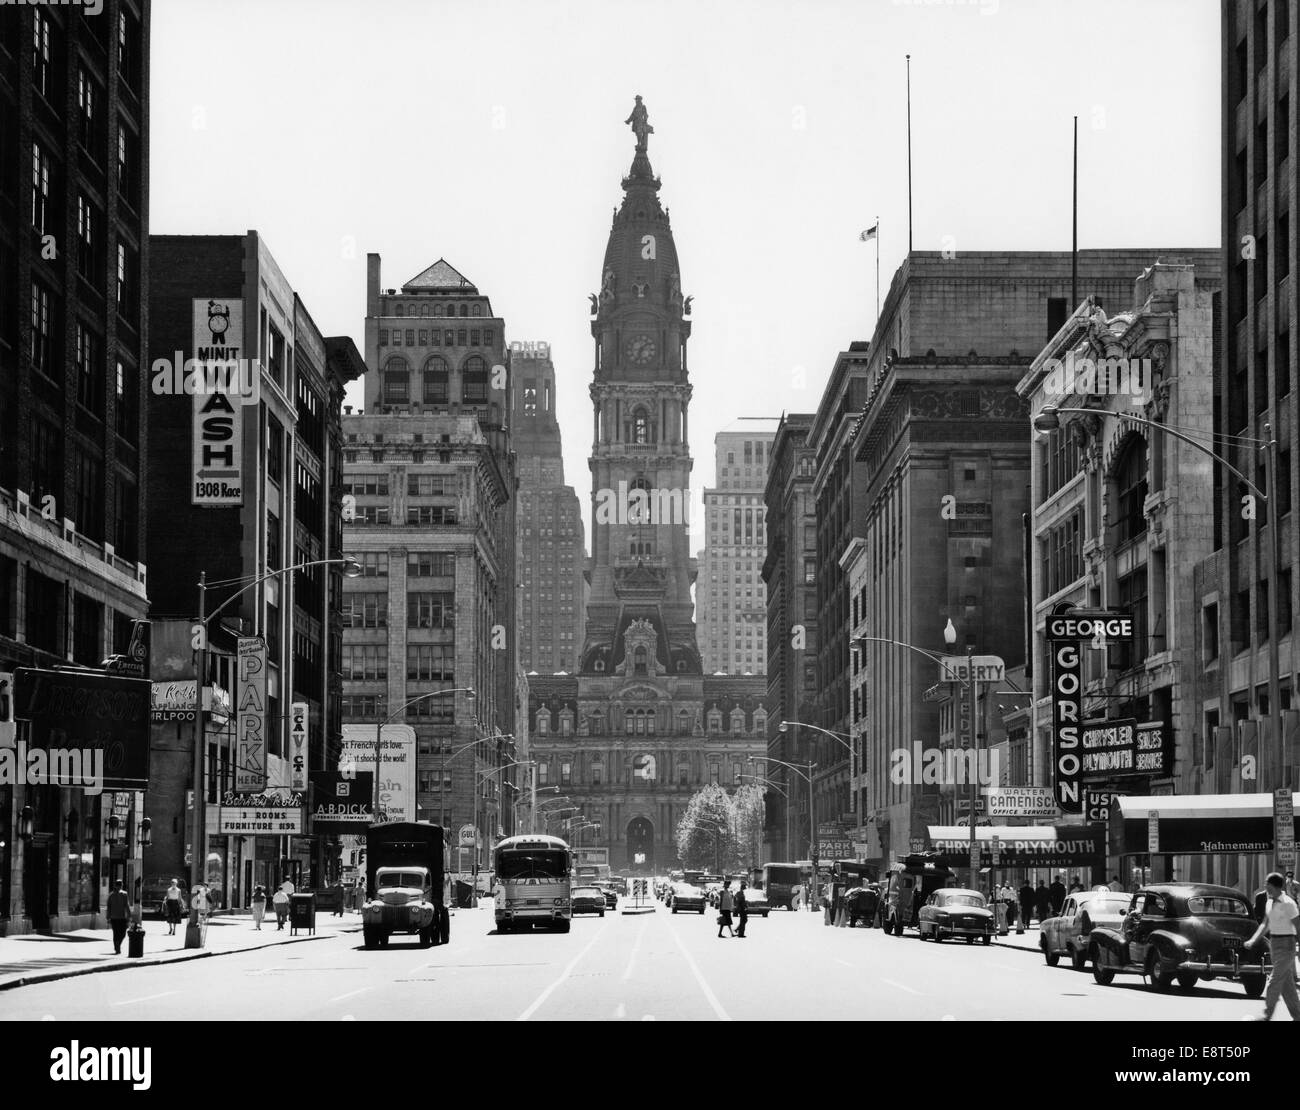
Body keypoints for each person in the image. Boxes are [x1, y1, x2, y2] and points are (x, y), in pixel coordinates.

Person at [1247, 871, 1300, 1022]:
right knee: (1286, 985)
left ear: (1275, 886)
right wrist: (1253, 939)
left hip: (1287, 944)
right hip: (1274, 944)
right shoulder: (1269, 902)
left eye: (1267, 884)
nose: (1265, 887)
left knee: (1274, 981)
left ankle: (1266, 1016)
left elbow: (1298, 927)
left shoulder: (1289, 903)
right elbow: (1266, 923)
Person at [106, 880, 130, 954]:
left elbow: (108, 907)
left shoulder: (113, 895)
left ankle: (117, 945)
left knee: (116, 933)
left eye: (120, 885)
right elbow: (127, 906)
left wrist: (108, 917)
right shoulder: (114, 895)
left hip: (116, 917)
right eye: (119, 885)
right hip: (120, 917)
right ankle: (117, 946)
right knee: (121, 933)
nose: (120, 886)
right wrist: (129, 916)